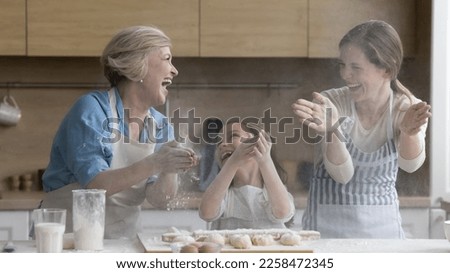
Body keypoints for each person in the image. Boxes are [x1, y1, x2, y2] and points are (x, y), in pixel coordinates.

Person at [40, 26, 198, 239]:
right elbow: (96, 184)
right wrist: (157, 162)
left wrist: (171, 167)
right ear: (137, 65)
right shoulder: (92, 109)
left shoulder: (160, 125)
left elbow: (159, 199)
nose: (174, 70)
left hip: (122, 242)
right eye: (167, 59)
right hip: (67, 240)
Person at [292, 20, 431, 238]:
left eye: (355, 67)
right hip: (327, 236)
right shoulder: (331, 103)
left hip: (384, 238)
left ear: (386, 69)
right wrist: (332, 130)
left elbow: (410, 165)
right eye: (342, 65)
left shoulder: (408, 108)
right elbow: (342, 174)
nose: (345, 75)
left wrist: (408, 133)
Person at [199, 120, 295, 230]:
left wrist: (265, 160)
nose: (222, 144)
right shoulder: (223, 195)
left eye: (233, 136)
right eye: (219, 142)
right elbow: (206, 213)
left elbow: (282, 212)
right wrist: (232, 163)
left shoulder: (272, 192)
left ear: (257, 144)